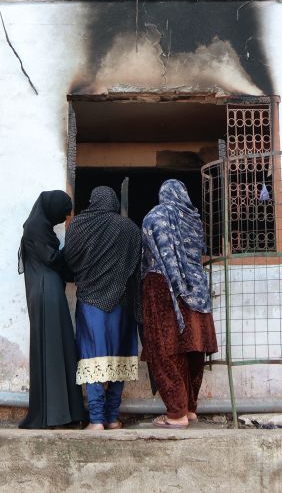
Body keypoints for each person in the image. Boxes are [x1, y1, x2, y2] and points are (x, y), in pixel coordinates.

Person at [140, 179, 218, 429]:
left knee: (166, 349)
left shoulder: (156, 215)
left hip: (164, 288)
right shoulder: (195, 220)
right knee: (194, 348)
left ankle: (176, 414)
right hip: (198, 291)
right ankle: (189, 408)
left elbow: (152, 253)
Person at [63, 186, 142, 431]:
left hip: (91, 304)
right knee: (120, 357)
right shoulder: (130, 228)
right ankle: (112, 417)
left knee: (92, 357)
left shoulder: (80, 224)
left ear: (92, 201)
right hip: (123, 303)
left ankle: (96, 419)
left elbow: (69, 260)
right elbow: (136, 267)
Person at [18, 190, 86, 429]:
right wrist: (75, 250)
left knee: (57, 348)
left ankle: (62, 412)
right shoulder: (37, 227)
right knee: (54, 350)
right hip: (47, 292)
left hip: (47, 290)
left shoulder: (39, 225)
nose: (66, 215)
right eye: (64, 209)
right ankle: (56, 414)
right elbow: (52, 259)